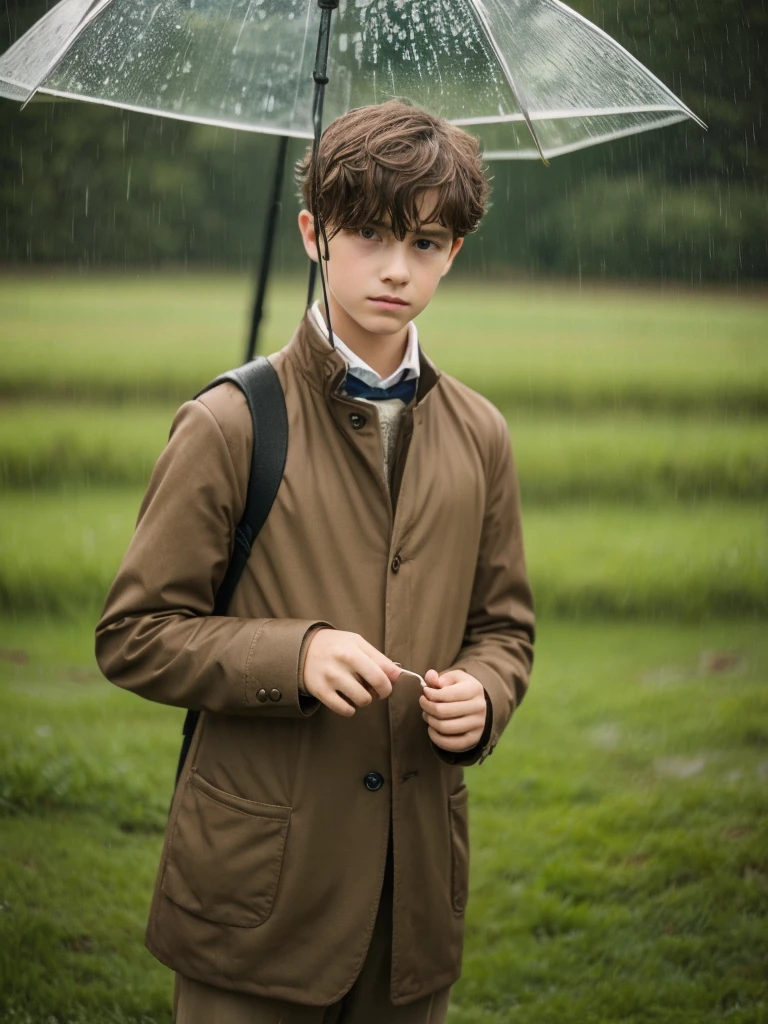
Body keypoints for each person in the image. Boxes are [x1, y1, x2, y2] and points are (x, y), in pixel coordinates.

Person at [95, 99, 535, 1024]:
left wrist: (486, 693)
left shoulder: (481, 433)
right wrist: (291, 655)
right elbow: (134, 635)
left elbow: (503, 627)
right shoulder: (227, 422)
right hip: (256, 900)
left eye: (425, 241)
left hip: (412, 905)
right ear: (313, 233)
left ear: (454, 252)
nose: (395, 267)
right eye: (368, 232)